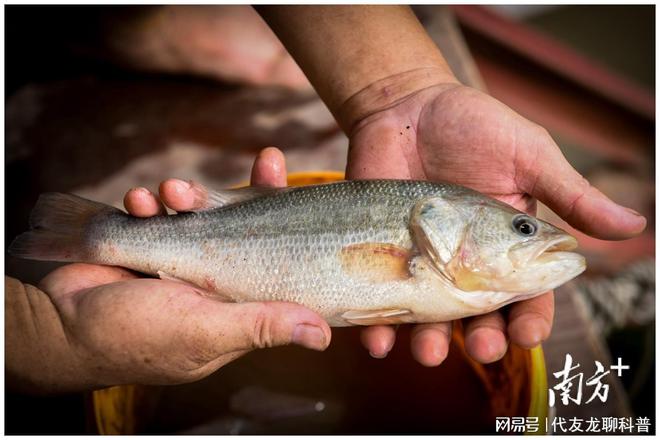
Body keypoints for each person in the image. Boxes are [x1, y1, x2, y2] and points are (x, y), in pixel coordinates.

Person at [6, 6, 645, 393]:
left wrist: (399, 87)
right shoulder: (428, 252)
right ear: (439, 227)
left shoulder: (437, 250)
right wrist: (49, 342)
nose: (535, 233)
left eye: (523, 229)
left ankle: (138, 24)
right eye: (521, 231)